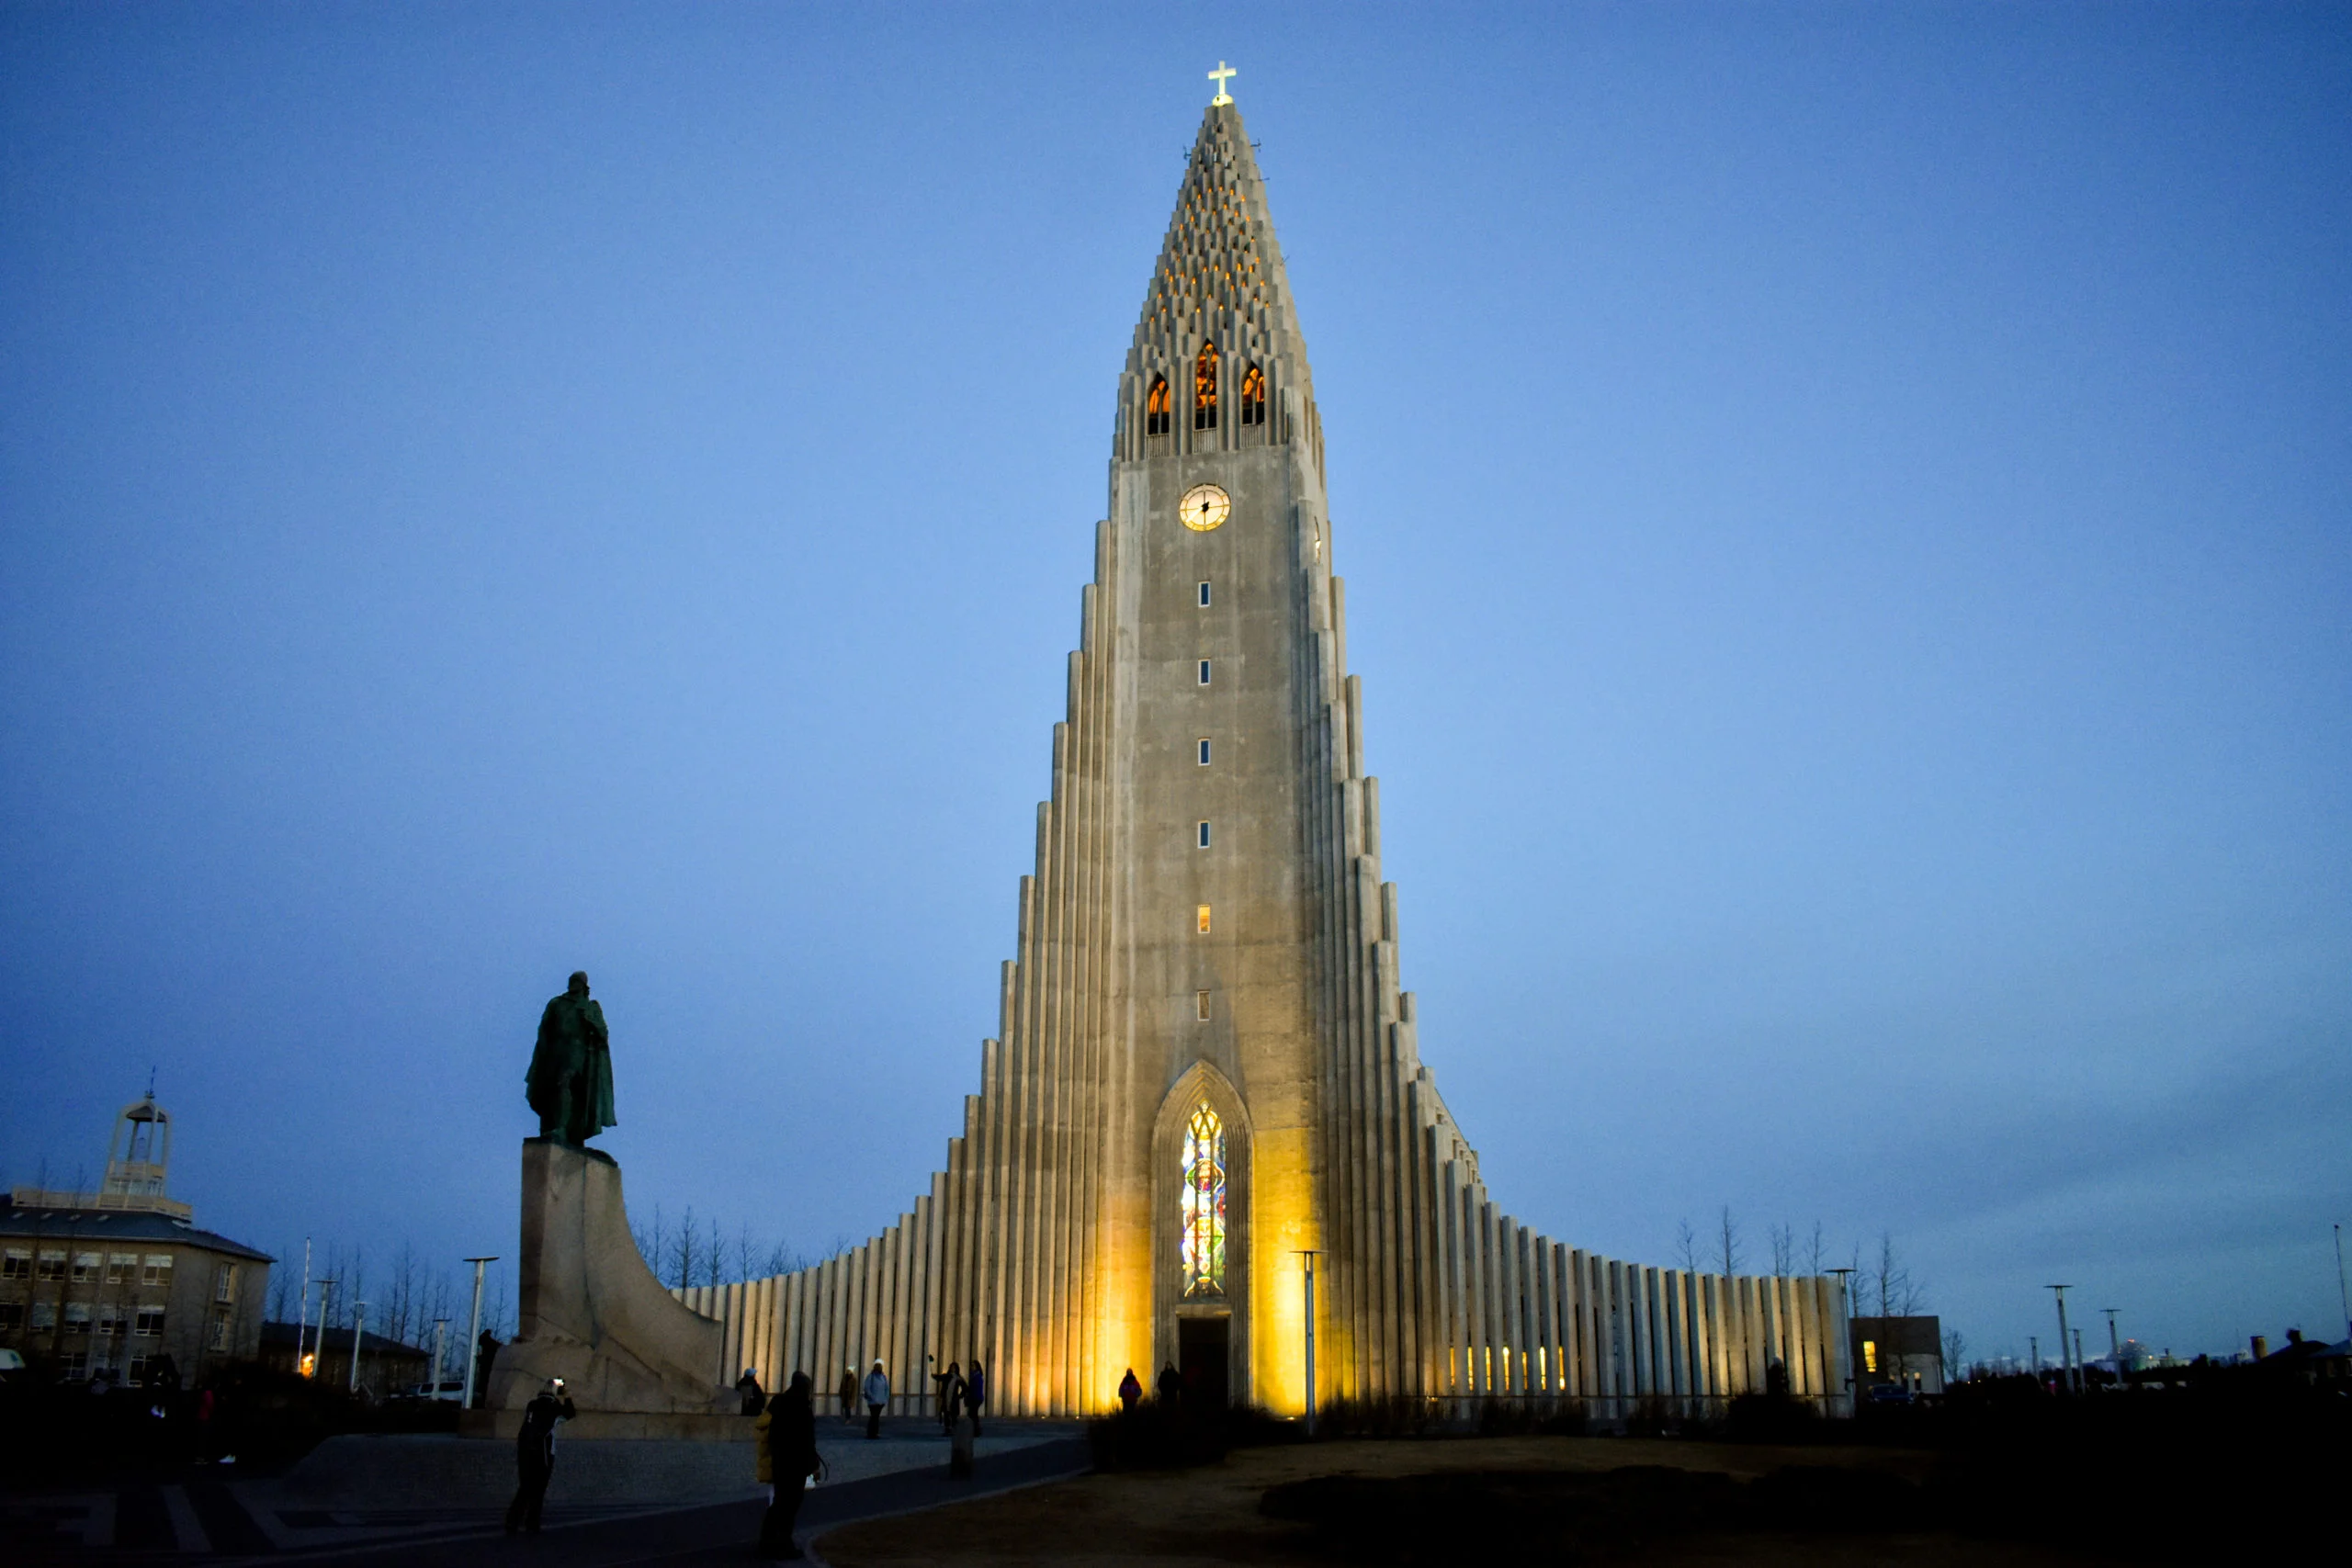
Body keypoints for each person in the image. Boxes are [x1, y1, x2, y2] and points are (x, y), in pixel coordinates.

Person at [526, 970, 616, 1146]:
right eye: (572, 981)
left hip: (578, 1052)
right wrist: (544, 1053)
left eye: (577, 981)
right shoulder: (556, 1003)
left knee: (565, 1083)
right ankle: (560, 1129)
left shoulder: (591, 1006)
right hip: (555, 1052)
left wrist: (590, 1019)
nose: (573, 984)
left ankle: (562, 1127)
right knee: (552, 1090)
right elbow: (544, 1029)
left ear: (584, 985)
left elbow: (603, 1033)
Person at [755, 1371, 820, 1560]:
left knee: (779, 1503)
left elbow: (768, 1430)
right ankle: (783, 1545)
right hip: (796, 1465)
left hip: (779, 1461)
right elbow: (807, 1441)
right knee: (790, 1506)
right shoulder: (801, 1407)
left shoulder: (778, 1402)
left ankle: (767, 1540)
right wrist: (813, 1467)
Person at [504, 1377, 576, 1535]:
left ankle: (512, 1520)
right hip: (543, 1452)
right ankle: (532, 1523)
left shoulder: (532, 1405)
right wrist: (568, 1396)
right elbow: (570, 1414)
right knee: (539, 1490)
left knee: (524, 1488)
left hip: (525, 1451)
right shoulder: (553, 1406)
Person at [861, 1359, 889, 1439]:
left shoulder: (883, 1377)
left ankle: (873, 1433)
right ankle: (872, 1433)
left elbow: (887, 1388)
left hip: (880, 1401)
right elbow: (867, 1388)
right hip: (873, 1402)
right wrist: (872, 1397)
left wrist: (885, 1398)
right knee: (874, 1417)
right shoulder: (871, 1377)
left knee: (875, 1418)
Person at [935, 1360, 964, 1435]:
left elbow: (965, 1387)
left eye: (954, 1368)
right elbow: (940, 1378)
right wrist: (934, 1376)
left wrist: (960, 1395)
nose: (952, 1369)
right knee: (946, 1414)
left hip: (953, 1399)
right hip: (946, 1398)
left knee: (953, 1415)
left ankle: (953, 1429)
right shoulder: (947, 1376)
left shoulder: (958, 1378)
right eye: (951, 1367)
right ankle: (947, 1429)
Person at [965, 1359, 987, 1437]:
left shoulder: (977, 1376)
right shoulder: (974, 1375)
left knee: (972, 1414)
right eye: (971, 1365)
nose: (971, 1367)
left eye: (973, 1365)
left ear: (977, 1367)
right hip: (976, 1397)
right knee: (973, 1414)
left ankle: (976, 1431)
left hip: (976, 1398)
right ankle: (976, 1430)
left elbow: (974, 1388)